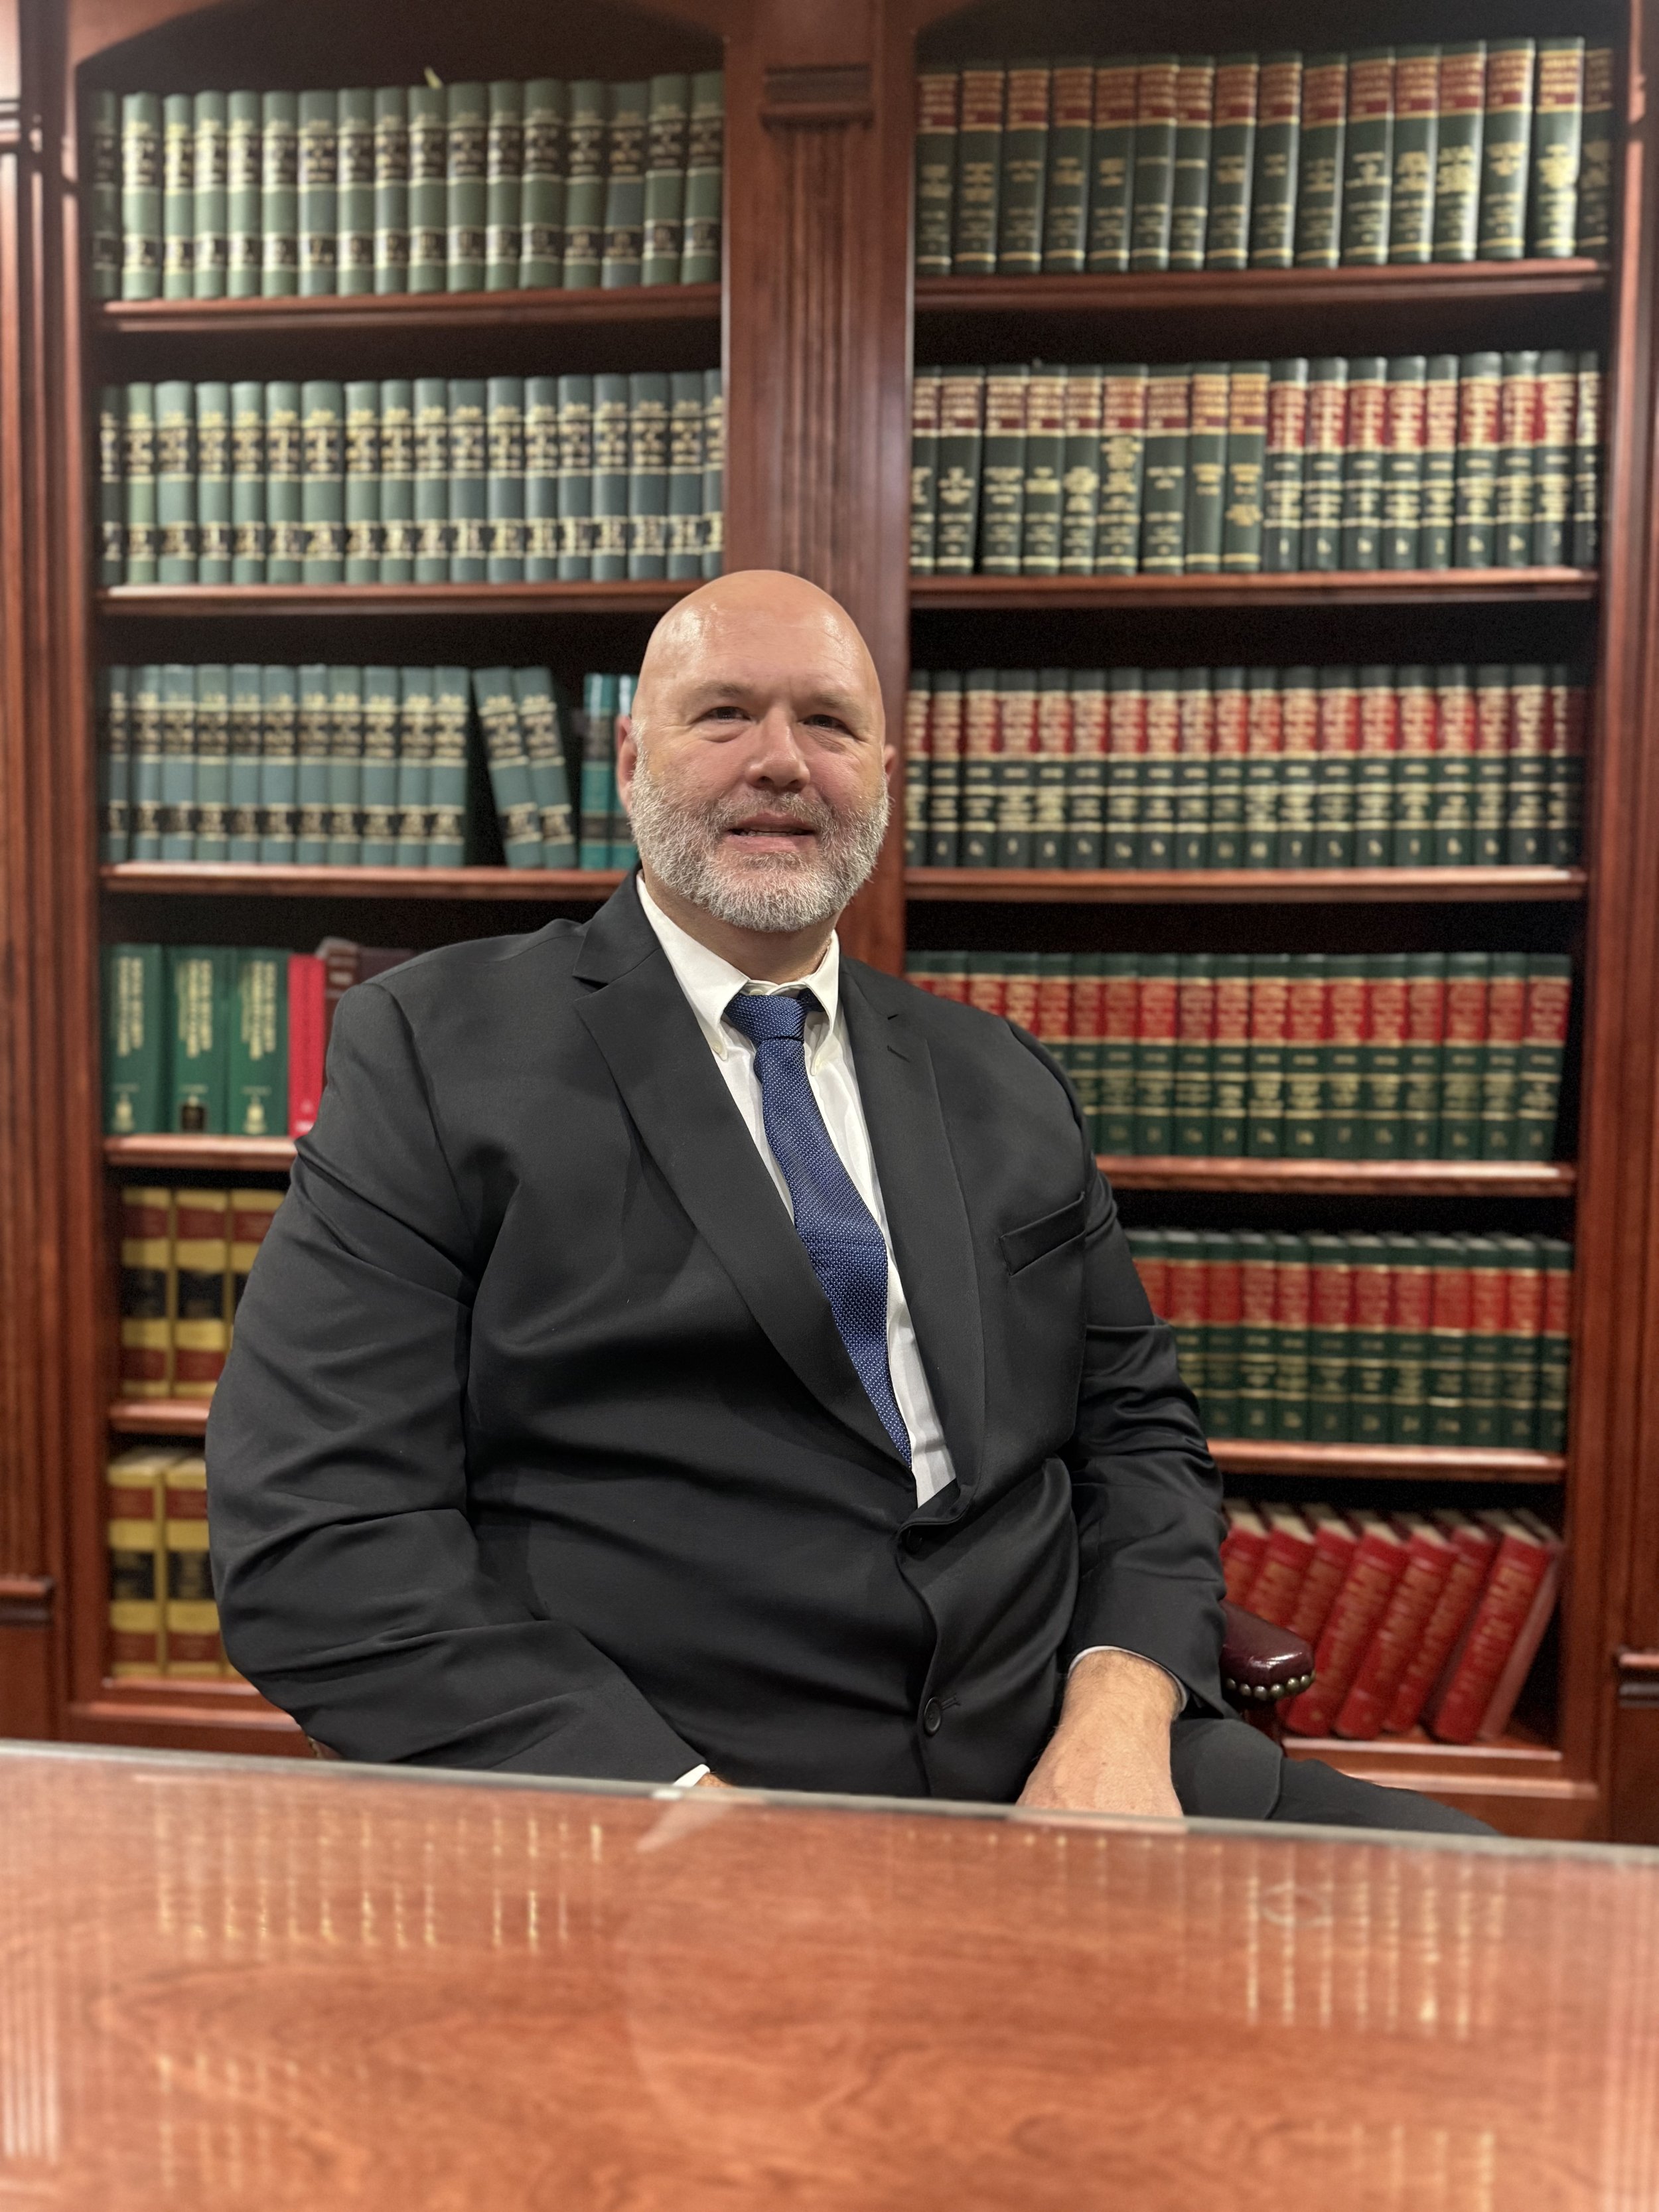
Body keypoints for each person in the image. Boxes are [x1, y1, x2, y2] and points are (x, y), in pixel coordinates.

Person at [207, 570, 1487, 1834]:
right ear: (628, 754)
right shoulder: (435, 1054)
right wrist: (669, 1808)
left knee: (1490, 1929)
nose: (780, 760)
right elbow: (316, 1539)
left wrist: (1123, 1702)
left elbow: (1140, 1435)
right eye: (723, 715)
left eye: (828, 721)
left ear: (883, 768)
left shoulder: (1001, 1076)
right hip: (678, 1802)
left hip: (1074, 1770)